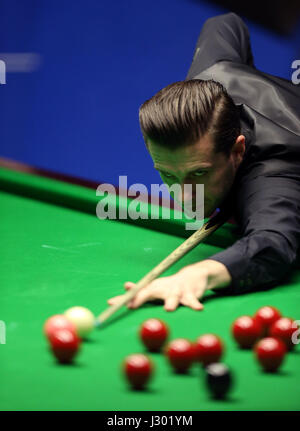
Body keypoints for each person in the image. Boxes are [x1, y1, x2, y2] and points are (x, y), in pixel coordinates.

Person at [108, 12, 300, 312]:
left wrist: (198, 274)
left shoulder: (273, 167)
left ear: (238, 151)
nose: (185, 196)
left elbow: (273, 244)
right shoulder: (213, 72)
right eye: (169, 176)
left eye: (198, 173)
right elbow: (225, 22)